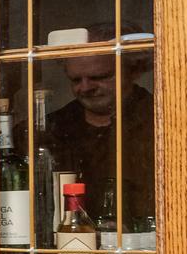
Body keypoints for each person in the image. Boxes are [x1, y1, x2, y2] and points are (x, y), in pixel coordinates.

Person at [44, 34, 155, 224]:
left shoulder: (161, 120)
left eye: (100, 77)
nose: (85, 88)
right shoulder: (53, 127)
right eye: (76, 80)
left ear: (132, 72)